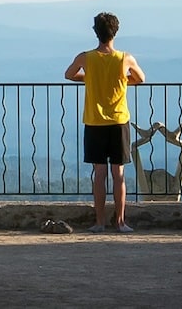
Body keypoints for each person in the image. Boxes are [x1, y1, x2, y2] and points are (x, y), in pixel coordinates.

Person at [64, 12, 146, 233]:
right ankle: (120, 222)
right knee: (118, 173)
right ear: (115, 32)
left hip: (94, 121)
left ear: (95, 32)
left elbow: (68, 75)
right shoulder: (124, 58)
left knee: (99, 173)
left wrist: (87, 77)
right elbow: (141, 78)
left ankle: (99, 222)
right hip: (119, 121)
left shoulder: (86, 58)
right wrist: (123, 81)